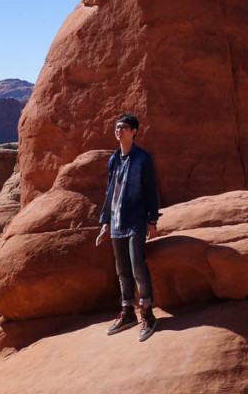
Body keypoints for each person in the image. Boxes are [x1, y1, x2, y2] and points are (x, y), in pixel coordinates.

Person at [98, 113, 160, 341]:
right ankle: (128, 313)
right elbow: (109, 192)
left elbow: (151, 190)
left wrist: (152, 220)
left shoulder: (143, 159)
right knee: (122, 270)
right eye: (116, 128)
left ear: (134, 131)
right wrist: (105, 220)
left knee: (137, 267)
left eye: (123, 127)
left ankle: (147, 314)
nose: (118, 131)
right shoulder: (114, 159)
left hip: (135, 220)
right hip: (116, 220)